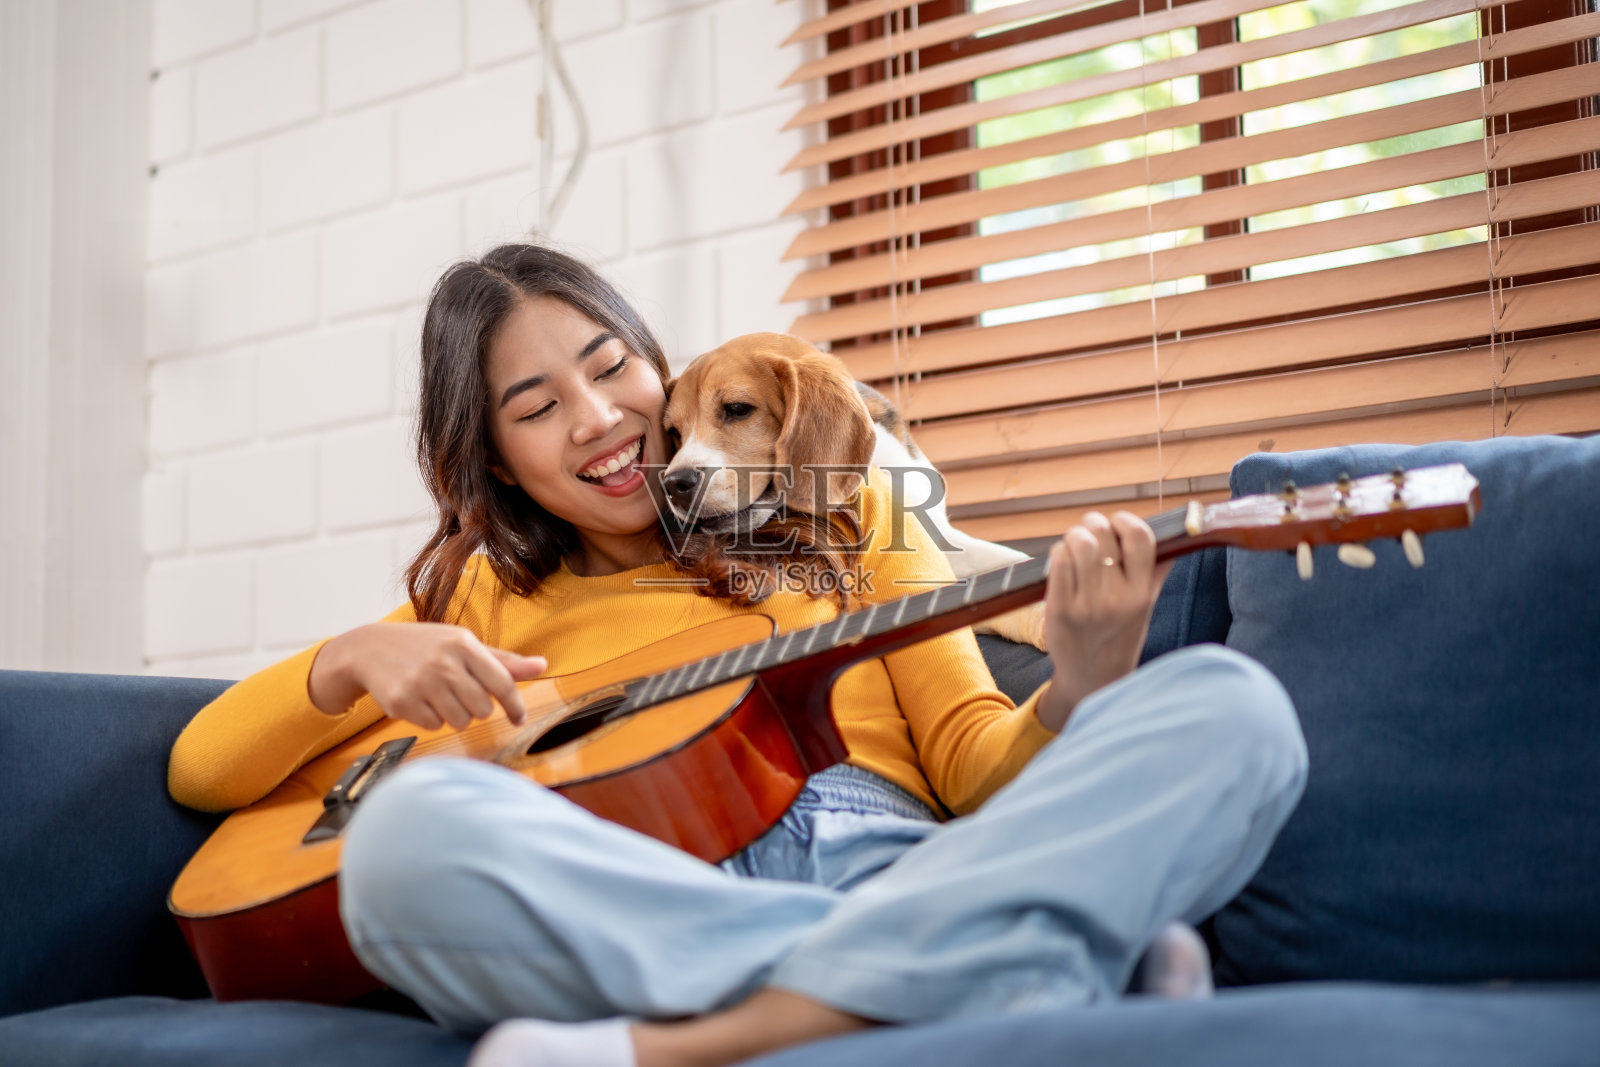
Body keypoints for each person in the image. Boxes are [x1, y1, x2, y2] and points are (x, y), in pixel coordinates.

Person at [167, 244, 1308, 1067]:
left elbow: (969, 763)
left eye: (610, 364)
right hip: (643, 891)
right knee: (405, 842)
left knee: (1233, 708)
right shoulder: (484, 596)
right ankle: (1016, 965)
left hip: (889, 859)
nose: (596, 417)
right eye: (536, 406)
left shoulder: (850, 505)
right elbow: (199, 768)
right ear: (500, 460)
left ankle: (699, 1044)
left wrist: (1083, 683)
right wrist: (351, 657)